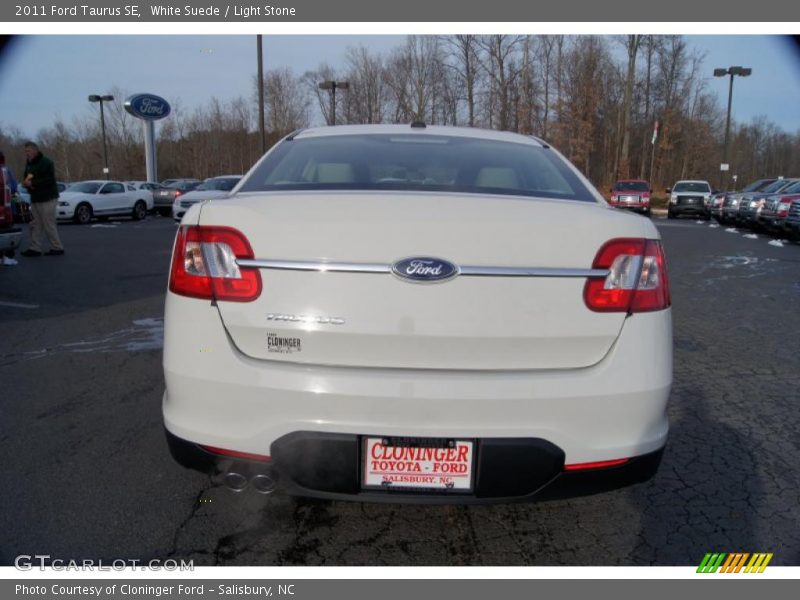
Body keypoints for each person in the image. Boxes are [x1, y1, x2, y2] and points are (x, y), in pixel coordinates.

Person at [20, 141, 64, 257]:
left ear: (35, 150)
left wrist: (33, 183)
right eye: (25, 151)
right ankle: (35, 248)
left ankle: (57, 247)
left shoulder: (46, 162)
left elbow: (49, 179)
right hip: (35, 198)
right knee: (36, 224)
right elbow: (26, 176)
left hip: (48, 197)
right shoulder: (29, 163)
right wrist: (25, 183)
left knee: (48, 223)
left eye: (28, 151)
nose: (27, 153)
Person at [0, 151, 19, 265]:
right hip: (5, 209)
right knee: (7, 231)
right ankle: (7, 257)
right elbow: (14, 186)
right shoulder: (5, 170)